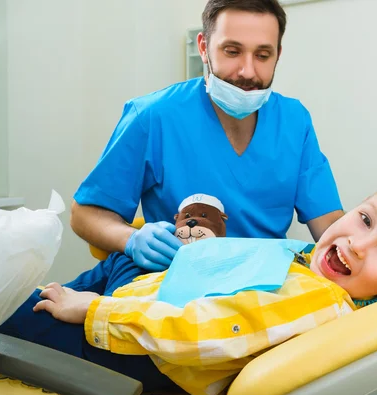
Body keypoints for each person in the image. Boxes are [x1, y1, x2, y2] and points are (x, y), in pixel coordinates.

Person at [0, 181, 377, 395]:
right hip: (145, 308)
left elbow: (202, 334)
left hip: (141, 346)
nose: (357, 243)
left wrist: (95, 313)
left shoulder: (320, 299)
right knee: (118, 258)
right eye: (365, 219)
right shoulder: (311, 268)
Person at [70, 0, 344, 272]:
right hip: (180, 286)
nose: (248, 71)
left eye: (262, 55)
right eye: (232, 51)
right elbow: (85, 214)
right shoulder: (153, 117)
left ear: (278, 54)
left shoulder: (294, 121)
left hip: (266, 288)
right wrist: (131, 239)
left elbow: (329, 225)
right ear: (203, 47)